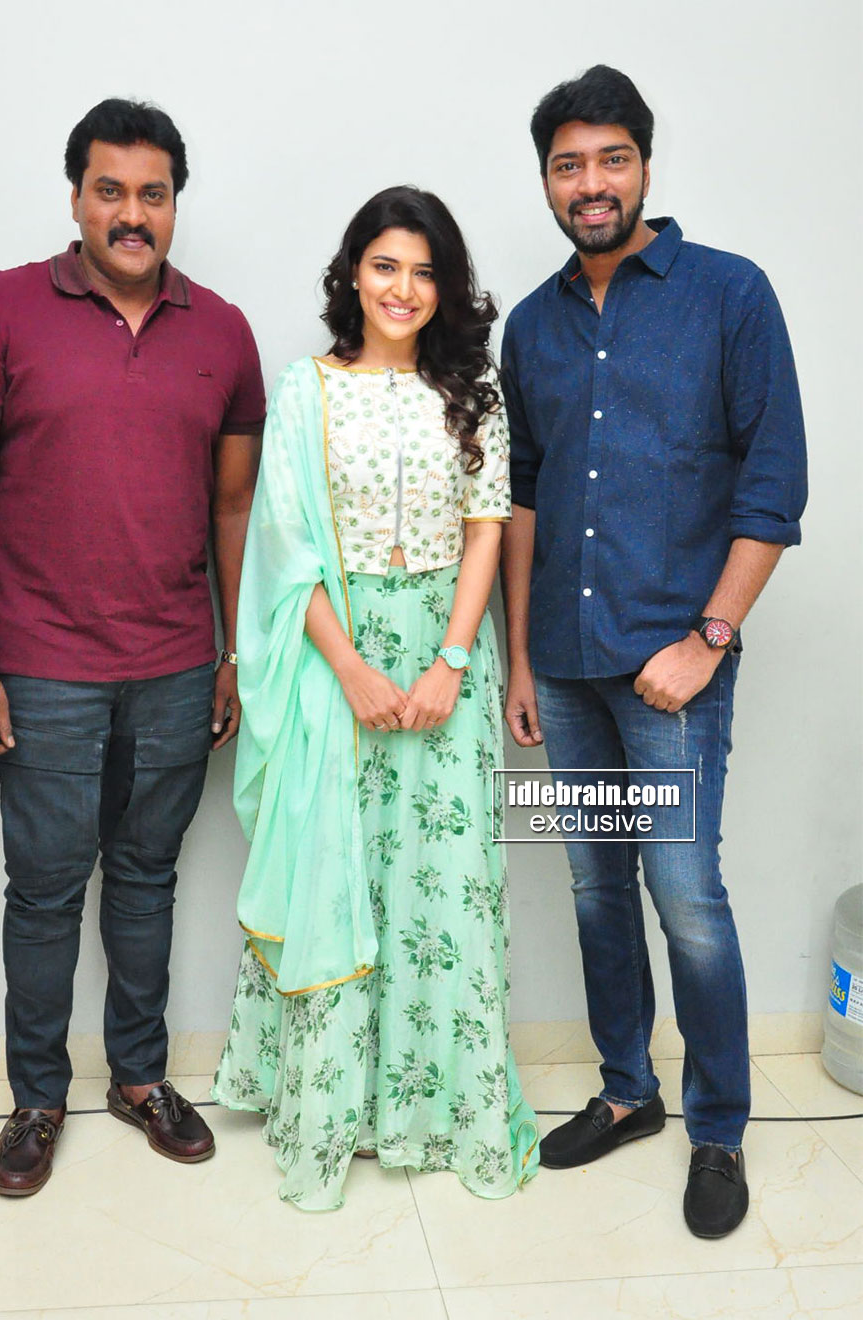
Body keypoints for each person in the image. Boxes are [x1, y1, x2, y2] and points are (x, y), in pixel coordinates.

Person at [0, 98, 265, 1196]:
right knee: (44, 890)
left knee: (147, 879)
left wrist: (231, 652)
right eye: (109, 190)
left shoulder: (223, 333)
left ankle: (138, 1078)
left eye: (152, 194)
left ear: (175, 204)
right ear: (75, 196)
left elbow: (233, 508)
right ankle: (36, 1097)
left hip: (176, 663)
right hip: (40, 667)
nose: (132, 214)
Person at [500, 66, 807, 1237]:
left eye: (610, 159)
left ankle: (716, 1127)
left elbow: (773, 485)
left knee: (685, 898)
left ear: (643, 166)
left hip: (671, 670)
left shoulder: (729, 295)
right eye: (568, 164)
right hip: (564, 665)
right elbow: (523, 497)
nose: (591, 183)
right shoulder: (532, 326)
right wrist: (521, 658)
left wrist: (708, 638)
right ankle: (627, 1091)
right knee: (593, 888)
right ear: (547, 180)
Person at [212, 186, 539, 1210]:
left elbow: (486, 526)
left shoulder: (473, 390)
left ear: (447, 287)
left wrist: (451, 661)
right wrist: (350, 669)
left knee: (442, 884)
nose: (404, 288)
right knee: (339, 875)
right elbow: (284, 549)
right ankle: (335, 1109)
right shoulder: (306, 390)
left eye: (425, 271)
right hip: (335, 663)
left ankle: (436, 1109)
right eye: (386, 265)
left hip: (448, 660)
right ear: (352, 273)